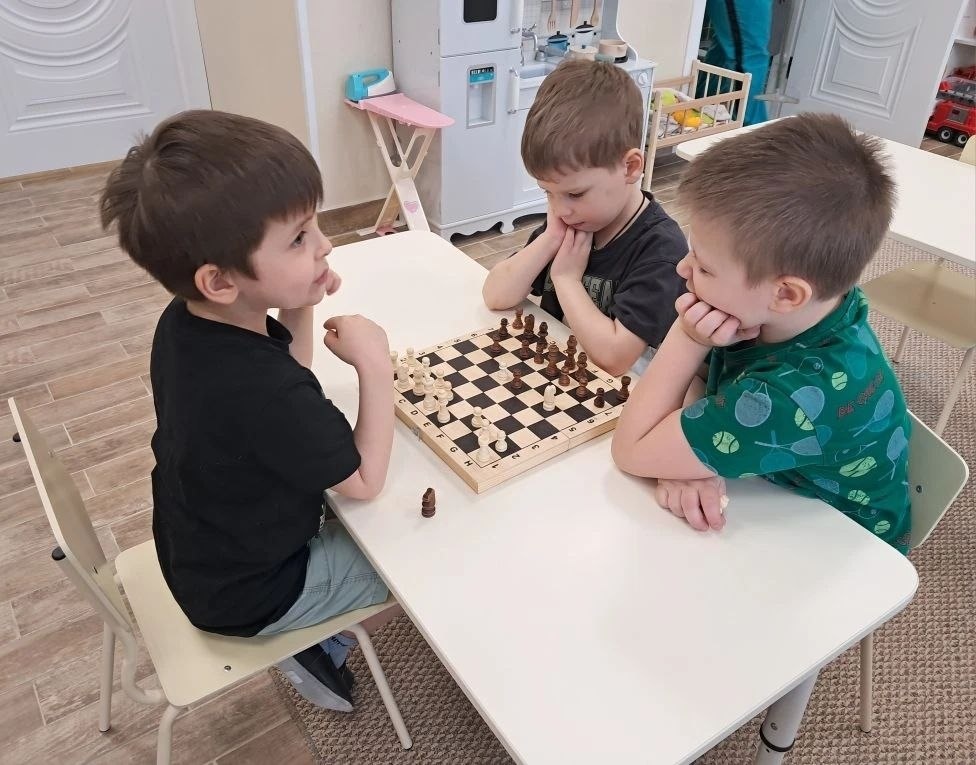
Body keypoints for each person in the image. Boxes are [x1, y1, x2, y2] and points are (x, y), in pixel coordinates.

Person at [100, 110, 400, 712]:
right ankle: (317, 644)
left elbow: (288, 367)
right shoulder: (266, 394)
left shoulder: (185, 323)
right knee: (412, 559)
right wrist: (376, 365)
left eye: (314, 225)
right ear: (219, 281)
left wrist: (304, 294)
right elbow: (365, 480)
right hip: (257, 594)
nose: (325, 245)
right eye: (298, 239)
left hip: (202, 556)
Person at [611, 114, 912, 552]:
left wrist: (687, 339)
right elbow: (700, 386)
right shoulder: (805, 309)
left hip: (838, 549)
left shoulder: (785, 398)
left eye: (704, 267)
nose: (682, 269)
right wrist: (689, 459)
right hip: (778, 495)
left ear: (785, 294)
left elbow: (629, 450)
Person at [482, 60, 687, 376]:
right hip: (560, 375)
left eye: (575, 194)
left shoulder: (661, 250)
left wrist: (566, 279)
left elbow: (615, 359)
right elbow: (495, 295)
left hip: (620, 393)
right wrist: (549, 240)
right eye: (548, 192)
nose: (560, 209)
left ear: (630, 167)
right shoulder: (570, 223)